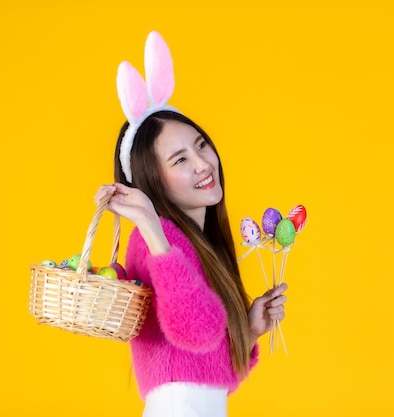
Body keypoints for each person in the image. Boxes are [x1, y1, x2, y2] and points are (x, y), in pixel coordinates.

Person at [94, 31, 288, 417]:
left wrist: (248, 331)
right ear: (153, 179)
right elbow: (196, 332)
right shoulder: (157, 237)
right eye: (180, 160)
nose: (202, 163)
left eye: (201, 145)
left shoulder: (196, 243)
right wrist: (149, 223)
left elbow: (209, 377)